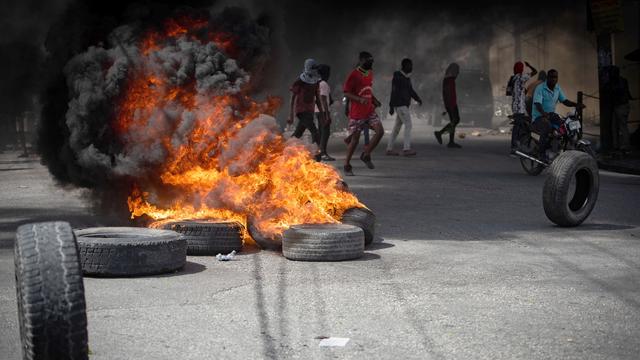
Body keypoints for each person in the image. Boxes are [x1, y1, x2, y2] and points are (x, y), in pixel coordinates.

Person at [342, 51, 384, 176]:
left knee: (380, 131)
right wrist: (359, 99)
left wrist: (374, 100)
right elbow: (346, 93)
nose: (370, 62)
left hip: (369, 111)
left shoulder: (370, 73)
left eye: (371, 60)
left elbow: (368, 90)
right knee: (354, 140)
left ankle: (366, 154)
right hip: (357, 113)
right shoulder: (354, 75)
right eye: (368, 60)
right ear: (361, 61)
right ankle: (347, 165)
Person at [531, 69, 585, 161]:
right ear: (547, 78)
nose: (553, 79)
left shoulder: (557, 88)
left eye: (555, 77)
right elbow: (537, 104)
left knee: (564, 127)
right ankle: (541, 153)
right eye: (551, 77)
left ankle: (559, 148)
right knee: (547, 127)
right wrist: (544, 114)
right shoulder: (540, 88)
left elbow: (564, 101)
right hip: (539, 117)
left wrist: (576, 105)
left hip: (551, 115)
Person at [288, 58, 325, 161]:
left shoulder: (316, 81)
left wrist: (322, 113)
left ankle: (284, 149)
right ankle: (317, 154)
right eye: (313, 68)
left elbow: (317, 97)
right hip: (301, 110)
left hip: (310, 110)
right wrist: (290, 115)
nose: (315, 70)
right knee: (315, 131)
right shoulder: (300, 81)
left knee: (298, 134)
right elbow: (292, 98)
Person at [386, 58, 423, 157]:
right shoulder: (397, 76)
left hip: (403, 105)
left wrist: (418, 98)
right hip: (400, 105)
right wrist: (391, 106)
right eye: (409, 65)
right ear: (404, 66)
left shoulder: (407, 78)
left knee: (397, 128)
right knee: (408, 124)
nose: (411, 67)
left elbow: (411, 91)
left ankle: (389, 149)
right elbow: (393, 91)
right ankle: (406, 149)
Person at [509, 61, 537, 155]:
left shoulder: (512, 79)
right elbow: (535, 72)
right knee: (518, 127)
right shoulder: (521, 78)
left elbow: (509, 92)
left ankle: (518, 145)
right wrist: (529, 66)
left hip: (515, 106)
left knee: (519, 126)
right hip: (519, 107)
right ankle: (514, 148)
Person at [434, 63, 462, 148]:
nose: (458, 73)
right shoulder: (449, 80)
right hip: (451, 104)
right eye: (457, 71)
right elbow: (448, 93)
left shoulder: (449, 79)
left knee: (454, 121)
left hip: (451, 103)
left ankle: (451, 141)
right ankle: (440, 133)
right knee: (455, 120)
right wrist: (449, 105)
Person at [609, 66, 635, 152]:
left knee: (622, 126)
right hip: (620, 106)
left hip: (621, 106)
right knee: (615, 126)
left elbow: (618, 92)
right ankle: (617, 145)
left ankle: (626, 145)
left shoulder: (618, 82)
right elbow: (628, 93)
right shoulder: (622, 81)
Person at [314, 64, 335, 161]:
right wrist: (327, 114)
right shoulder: (324, 84)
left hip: (317, 111)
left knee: (321, 132)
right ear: (326, 73)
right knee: (325, 132)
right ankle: (322, 153)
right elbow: (323, 99)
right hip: (322, 111)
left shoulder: (317, 83)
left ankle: (321, 152)